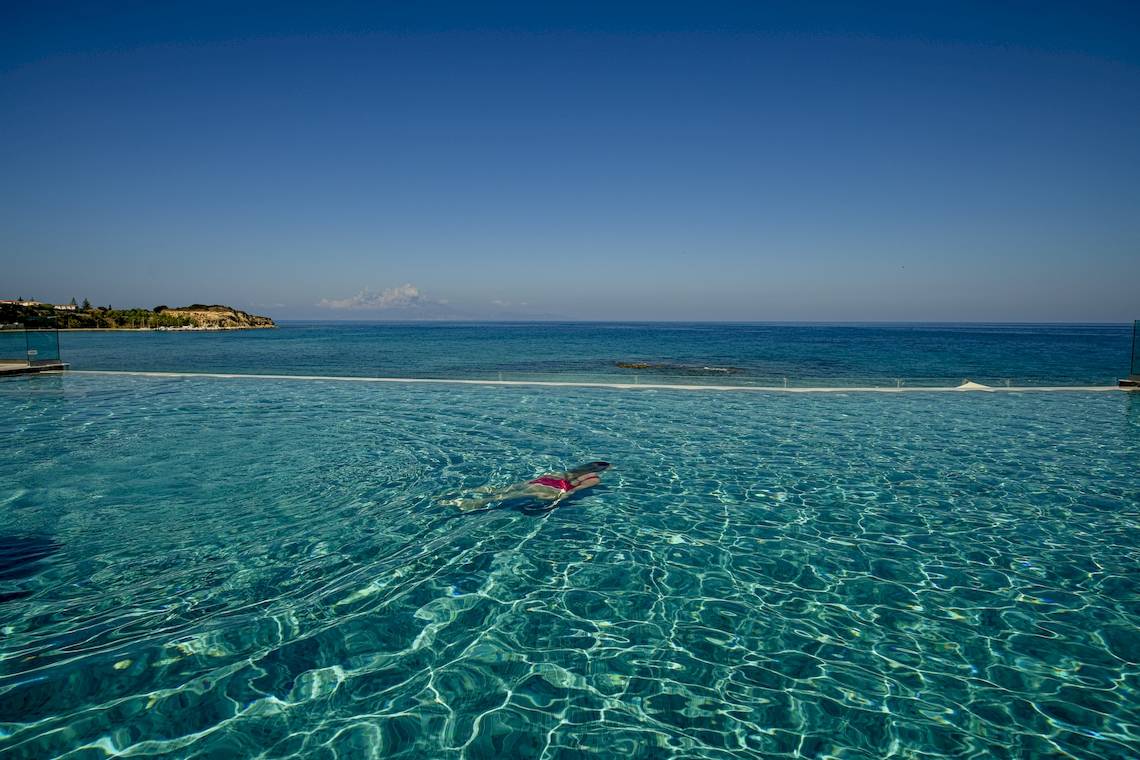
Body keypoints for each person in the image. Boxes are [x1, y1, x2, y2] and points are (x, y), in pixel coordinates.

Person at [442, 461, 611, 512]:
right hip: (552, 489)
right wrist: (556, 501)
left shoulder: (574, 470)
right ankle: (474, 504)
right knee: (503, 498)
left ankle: (458, 494)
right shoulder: (594, 478)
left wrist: (528, 483)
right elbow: (573, 490)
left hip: (542, 481)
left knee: (499, 490)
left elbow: (549, 476)